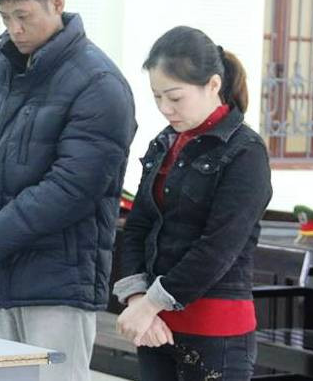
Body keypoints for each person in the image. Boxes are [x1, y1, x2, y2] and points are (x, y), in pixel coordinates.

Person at [0, 0, 137, 381]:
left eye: (23, 16)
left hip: (55, 284)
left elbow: (70, 189)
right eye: (5, 17)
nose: (14, 29)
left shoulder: (99, 83)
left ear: (57, 2)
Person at [113, 26, 272, 381]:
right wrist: (137, 300)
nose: (165, 108)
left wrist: (151, 303)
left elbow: (219, 247)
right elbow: (139, 225)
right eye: (157, 97)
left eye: (175, 97)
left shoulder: (245, 152)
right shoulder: (164, 143)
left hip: (215, 331)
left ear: (213, 85)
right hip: (153, 326)